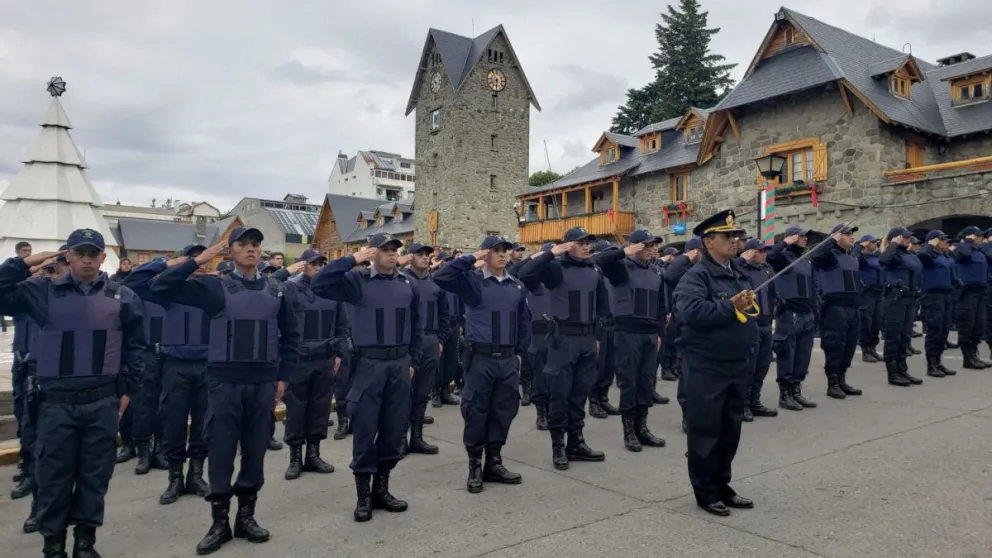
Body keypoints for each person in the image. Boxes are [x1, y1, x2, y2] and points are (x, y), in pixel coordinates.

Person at [150, 227, 299, 554]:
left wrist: (283, 376)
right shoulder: (214, 287)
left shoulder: (277, 290)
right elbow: (160, 287)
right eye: (242, 244)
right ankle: (220, 522)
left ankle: (246, 516)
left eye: (255, 244)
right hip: (224, 383)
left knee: (255, 450)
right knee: (220, 452)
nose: (250, 249)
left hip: (262, 384)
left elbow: (290, 336)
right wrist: (197, 260)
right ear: (229, 251)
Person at [0, 230, 145, 557]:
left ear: (102, 258)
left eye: (93, 254)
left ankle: (85, 542)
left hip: (101, 403)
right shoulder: (43, 293)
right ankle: (54, 546)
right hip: (56, 406)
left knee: (95, 477)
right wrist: (25, 262)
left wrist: (128, 390)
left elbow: (137, 347)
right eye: (79, 253)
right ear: (68, 256)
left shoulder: (122, 296)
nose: (87, 259)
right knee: (52, 478)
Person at [311, 232, 422, 522]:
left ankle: (381, 490)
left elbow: (417, 325)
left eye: (394, 249)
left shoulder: (407, 283)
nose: (391, 254)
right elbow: (321, 282)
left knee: (393, 430)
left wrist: (413, 360)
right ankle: (363, 497)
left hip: (399, 365)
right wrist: (351, 259)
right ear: (372, 253)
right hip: (369, 366)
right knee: (365, 430)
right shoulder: (357, 281)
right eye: (384, 249)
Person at [673, 209, 756, 517]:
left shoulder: (737, 271)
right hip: (707, 365)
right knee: (706, 431)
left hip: (735, 361)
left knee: (729, 430)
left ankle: (723, 484)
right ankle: (705, 491)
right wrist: (728, 306)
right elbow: (691, 314)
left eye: (738, 235)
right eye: (728, 236)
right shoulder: (696, 276)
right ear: (708, 241)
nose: (736, 241)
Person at [434, 235, 531, 492]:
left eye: (505, 250)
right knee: (476, 411)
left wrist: (520, 353)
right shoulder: (474, 282)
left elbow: (523, 322)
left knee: (504, 411)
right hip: (480, 358)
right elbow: (442, 277)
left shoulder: (516, 286)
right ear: (486, 254)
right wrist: (470, 258)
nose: (502, 255)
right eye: (496, 250)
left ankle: (494, 463)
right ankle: (475, 466)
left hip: (508, 359)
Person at [122, 249, 211, 505]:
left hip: (206, 365)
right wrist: (166, 264)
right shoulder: (166, 290)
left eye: (203, 259)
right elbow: (133, 283)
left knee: (203, 424)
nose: (199, 265)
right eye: (194, 260)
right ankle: (175, 478)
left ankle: (196, 474)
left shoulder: (212, 289)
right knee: (173, 422)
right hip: (175, 365)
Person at [517, 227, 610, 470]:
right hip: (562, 339)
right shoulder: (557, 268)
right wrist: (551, 253)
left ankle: (576, 442)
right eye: (581, 242)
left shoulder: (594, 269)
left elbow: (602, 306)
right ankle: (558, 445)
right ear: (568, 245)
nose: (587, 246)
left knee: (580, 393)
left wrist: (597, 337)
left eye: (589, 242)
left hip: (587, 339)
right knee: (560, 394)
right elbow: (525, 273)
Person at [594, 230, 668, 452]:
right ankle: (629, 431)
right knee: (629, 382)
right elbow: (598, 261)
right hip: (626, 332)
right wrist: (623, 252)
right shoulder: (621, 268)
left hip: (649, 334)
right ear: (635, 247)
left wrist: (659, 335)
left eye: (655, 245)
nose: (653, 248)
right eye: (647, 245)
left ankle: (642, 427)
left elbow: (661, 308)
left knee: (647, 381)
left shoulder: (656, 272)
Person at [278, 249, 348, 480]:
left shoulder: (333, 290)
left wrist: (338, 353)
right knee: (297, 409)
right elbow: (283, 326)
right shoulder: (290, 289)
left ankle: (314, 454)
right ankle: (295, 457)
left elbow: (341, 325)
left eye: (321, 263)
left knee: (320, 408)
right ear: (302, 265)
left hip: (324, 358)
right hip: (298, 360)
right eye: (313, 263)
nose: (318, 267)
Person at [401, 242, 452, 456]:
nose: (424, 258)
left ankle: (418, 437)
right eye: (419, 254)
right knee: (404, 393)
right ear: (410, 257)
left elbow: (445, 315)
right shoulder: (401, 281)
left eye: (427, 255)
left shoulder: (436, 285)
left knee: (422, 392)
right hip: (407, 343)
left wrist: (440, 339)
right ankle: (401, 438)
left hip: (430, 340)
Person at [811, 224, 864, 399]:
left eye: (852, 234)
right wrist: (831, 239)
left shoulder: (851, 257)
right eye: (847, 234)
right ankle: (832, 383)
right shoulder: (829, 256)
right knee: (835, 345)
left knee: (849, 346)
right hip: (835, 308)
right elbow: (816, 255)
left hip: (853, 307)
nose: (852, 237)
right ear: (837, 236)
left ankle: (842, 380)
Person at [768, 226, 818, 411]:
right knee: (787, 353)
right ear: (792, 237)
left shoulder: (805, 259)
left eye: (806, 236)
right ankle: (785, 394)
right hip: (789, 312)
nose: (805, 239)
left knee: (803, 354)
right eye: (802, 236)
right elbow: (770, 255)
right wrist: (784, 242)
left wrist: (815, 309)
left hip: (806, 312)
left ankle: (796, 390)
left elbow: (813, 285)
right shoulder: (783, 257)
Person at [879, 227, 924, 386]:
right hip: (895, 299)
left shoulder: (908, 255)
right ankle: (893, 373)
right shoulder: (892, 255)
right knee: (894, 336)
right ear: (896, 238)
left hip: (910, 298)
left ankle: (902, 370)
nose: (908, 240)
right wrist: (893, 244)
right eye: (904, 237)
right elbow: (884, 260)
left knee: (905, 336)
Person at [739, 240, 778, 421]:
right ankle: (744, 404)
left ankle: (755, 401)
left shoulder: (766, 270)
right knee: (749, 367)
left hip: (765, 323)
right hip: (749, 323)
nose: (764, 254)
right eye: (760, 251)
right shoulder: (742, 271)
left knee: (762, 365)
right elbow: (730, 271)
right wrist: (742, 259)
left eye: (765, 251)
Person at [666, 238, 702, 432]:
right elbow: (670, 276)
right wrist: (686, 257)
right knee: (688, 377)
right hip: (685, 329)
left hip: (706, 330)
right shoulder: (682, 269)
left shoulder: (708, 270)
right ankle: (688, 416)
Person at [517, 243, 553, 429]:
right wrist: (536, 257)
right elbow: (520, 272)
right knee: (540, 375)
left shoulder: (560, 281)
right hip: (538, 331)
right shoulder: (534, 282)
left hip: (559, 332)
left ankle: (554, 410)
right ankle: (541, 412)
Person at [588, 240, 622, 419]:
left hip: (612, 322)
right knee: (598, 365)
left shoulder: (612, 272)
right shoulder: (593, 269)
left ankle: (603, 397)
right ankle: (593, 401)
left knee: (610, 364)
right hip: (598, 323)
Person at [917, 230, 958, 378]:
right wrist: (930, 244)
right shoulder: (928, 256)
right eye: (942, 239)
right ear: (934, 241)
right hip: (933, 296)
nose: (946, 242)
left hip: (946, 295)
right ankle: (931, 364)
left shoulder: (944, 256)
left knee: (944, 329)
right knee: (934, 329)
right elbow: (921, 255)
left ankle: (938, 361)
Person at [953, 226, 989, 369]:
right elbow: (963, 255)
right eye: (978, 236)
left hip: (980, 293)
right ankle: (968, 358)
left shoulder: (979, 251)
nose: (981, 238)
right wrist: (967, 241)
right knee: (967, 326)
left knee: (979, 326)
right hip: (966, 293)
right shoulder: (962, 249)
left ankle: (974, 355)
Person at [432, 251, 463, 407]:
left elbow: (461, 301)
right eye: (446, 260)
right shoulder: (436, 279)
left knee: (451, 360)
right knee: (439, 360)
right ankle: (435, 391)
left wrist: (461, 322)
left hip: (454, 323)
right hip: (439, 324)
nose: (449, 262)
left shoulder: (455, 280)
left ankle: (445, 390)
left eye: (451, 260)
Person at [853, 235, 884, 362]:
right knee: (866, 322)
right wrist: (860, 245)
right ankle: (866, 350)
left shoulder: (876, 257)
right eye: (872, 242)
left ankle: (873, 348)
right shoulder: (861, 258)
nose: (876, 243)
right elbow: (852, 255)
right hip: (866, 293)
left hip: (878, 293)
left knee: (876, 322)